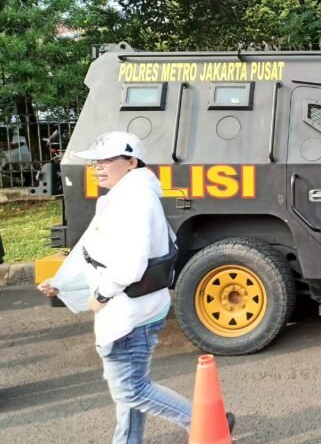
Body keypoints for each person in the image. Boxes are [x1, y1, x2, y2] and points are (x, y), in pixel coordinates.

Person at [37, 131, 233, 443]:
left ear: (131, 162)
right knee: (130, 388)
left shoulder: (134, 200)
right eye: (95, 162)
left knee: (131, 389)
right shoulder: (126, 195)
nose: (98, 167)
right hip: (133, 307)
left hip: (130, 312)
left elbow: (131, 262)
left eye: (106, 161)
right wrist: (63, 282)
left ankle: (206, 421)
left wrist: (101, 296)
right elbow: (94, 251)